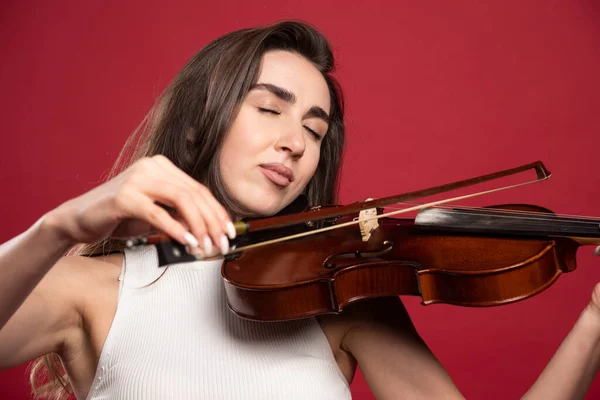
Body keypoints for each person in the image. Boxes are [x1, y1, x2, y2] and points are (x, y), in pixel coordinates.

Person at [1, 20, 600, 400]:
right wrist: (60, 226)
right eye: (269, 109)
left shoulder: (341, 295)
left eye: (316, 131)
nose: (296, 141)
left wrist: (595, 323)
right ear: (194, 128)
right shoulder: (93, 291)